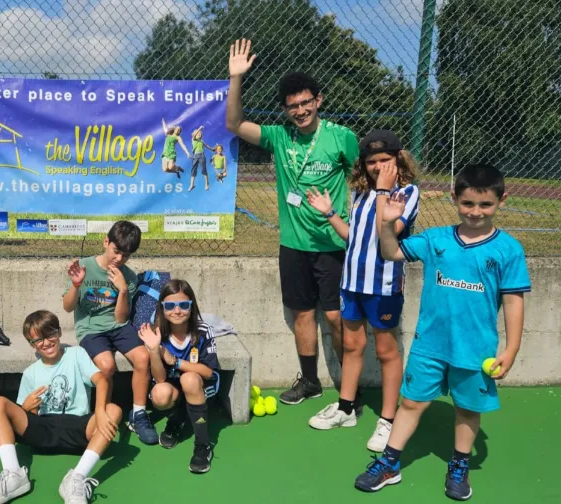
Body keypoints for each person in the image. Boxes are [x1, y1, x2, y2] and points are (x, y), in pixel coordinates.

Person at [354, 164, 530, 501]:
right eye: (467, 204)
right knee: (411, 403)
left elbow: (513, 302)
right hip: (429, 346)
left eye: (485, 205)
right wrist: (388, 221)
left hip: (476, 350)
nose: (475, 212)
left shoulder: (508, 250)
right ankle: (390, 463)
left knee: (467, 409)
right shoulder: (435, 239)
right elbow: (390, 251)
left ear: (501, 201)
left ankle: (460, 464)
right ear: (454, 199)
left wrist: (512, 349)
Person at [226, 39, 359, 405]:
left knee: (334, 317)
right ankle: (311, 382)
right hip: (293, 246)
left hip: (333, 245)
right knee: (302, 313)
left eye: (305, 103)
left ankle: (350, 389)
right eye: (292, 106)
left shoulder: (341, 138)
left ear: (318, 100)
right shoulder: (279, 136)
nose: (300, 111)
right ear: (285, 110)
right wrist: (236, 78)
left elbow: (363, 179)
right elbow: (234, 123)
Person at [305, 130, 420, 453]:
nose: (378, 166)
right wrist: (329, 213)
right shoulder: (360, 195)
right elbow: (353, 238)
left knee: (386, 351)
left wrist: (384, 190)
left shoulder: (406, 193)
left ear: (399, 159)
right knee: (352, 344)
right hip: (351, 283)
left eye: (385, 160)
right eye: (372, 161)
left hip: (382, 286)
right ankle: (345, 408)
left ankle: (387, 419)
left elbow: (389, 230)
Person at [0, 310, 121, 504]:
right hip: (43, 429)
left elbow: (102, 380)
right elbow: (25, 417)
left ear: (59, 332)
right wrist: (26, 407)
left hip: (78, 428)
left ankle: (76, 478)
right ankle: (13, 475)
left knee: (114, 410)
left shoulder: (76, 354)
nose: (45, 343)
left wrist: (101, 412)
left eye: (50, 335)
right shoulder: (30, 373)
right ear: (31, 345)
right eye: (37, 340)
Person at [62, 221, 157, 444]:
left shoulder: (129, 277)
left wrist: (123, 289)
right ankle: (103, 413)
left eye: (126, 255)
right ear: (106, 242)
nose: (120, 259)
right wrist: (76, 285)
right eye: (116, 251)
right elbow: (67, 307)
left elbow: (120, 319)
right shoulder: (83, 266)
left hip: (117, 327)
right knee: (107, 365)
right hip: (90, 328)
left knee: (143, 357)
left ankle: (139, 414)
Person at [139, 279, 220, 473]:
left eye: (183, 305)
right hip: (174, 388)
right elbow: (159, 380)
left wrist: (175, 361)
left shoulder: (202, 330)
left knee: (189, 378)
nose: (177, 311)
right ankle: (177, 419)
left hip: (201, 387)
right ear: (162, 308)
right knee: (159, 394)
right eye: (170, 306)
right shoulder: (157, 333)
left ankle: (203, 445)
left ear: (191, 307)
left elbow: (210, 372)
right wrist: (153, 350)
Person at [189, 126, 215, 191]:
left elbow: (207, 146)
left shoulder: (201, 141)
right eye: (198, 134)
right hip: (195, 155)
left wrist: (212, 149)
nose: (199, 135)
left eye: (200, 134)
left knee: (204, 169)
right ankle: (192, 185)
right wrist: (199, 129)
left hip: (202, 155)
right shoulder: (193, 139)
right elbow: (194, 135)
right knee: (193, 170)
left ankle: (207, 184)